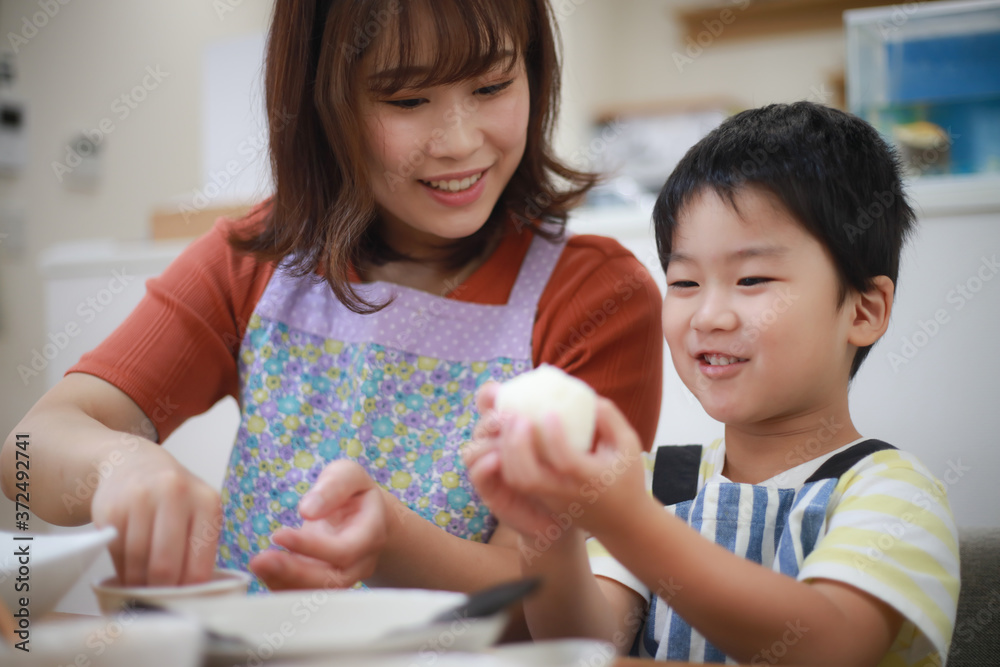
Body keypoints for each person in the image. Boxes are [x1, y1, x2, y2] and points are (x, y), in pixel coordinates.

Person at [0, 0, 663, 625]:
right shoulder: (256, 261)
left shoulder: (595, 298)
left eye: (492, 86)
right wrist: (118, 465)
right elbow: (25, 452)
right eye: (407, 99)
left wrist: (393, 542)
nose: (460, 141)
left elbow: (549, 613)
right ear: (322, 103)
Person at [464, 101, 961, 665]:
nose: (708, 316)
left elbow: (827, 647)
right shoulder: (657, 482)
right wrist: (546, 533)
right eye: (685, 282)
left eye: (751, 279)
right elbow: (586, 649)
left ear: (864, 310)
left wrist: (629, 521)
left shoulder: (893, 493)